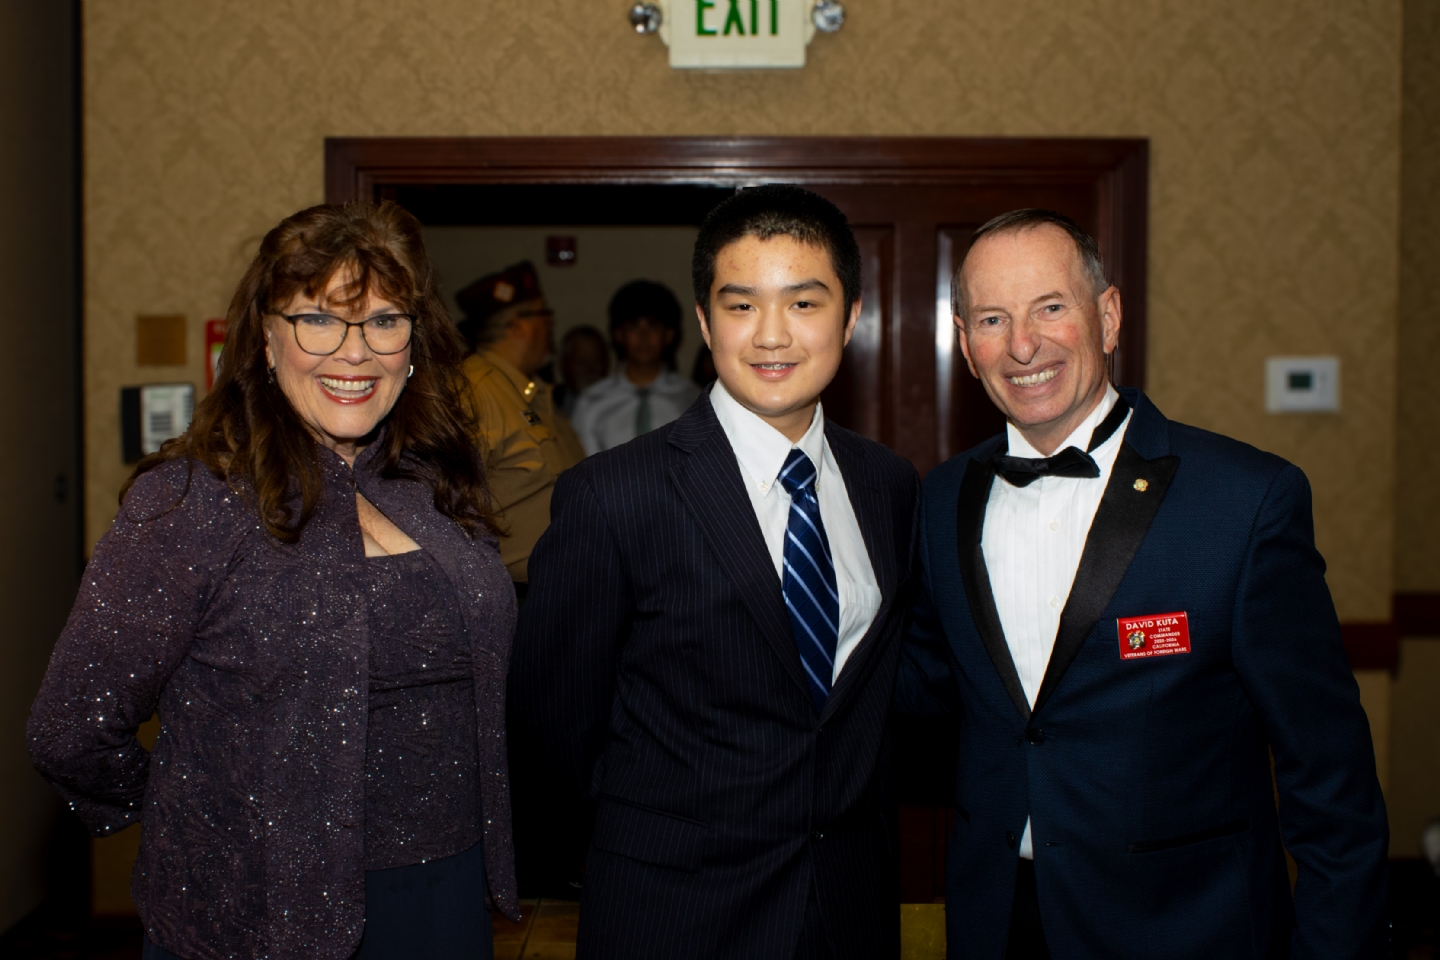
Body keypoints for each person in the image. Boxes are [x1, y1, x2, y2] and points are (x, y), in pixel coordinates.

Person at [27, 202, 520, 960]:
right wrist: (203, 815)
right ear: (265, 337)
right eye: (318, 319)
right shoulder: (191, 501)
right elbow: (70, 729)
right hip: (256, 913)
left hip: (444, 898)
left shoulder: (437, 487)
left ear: (414, 343)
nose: (355, 352)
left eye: (384, 321)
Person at [896, 209, 1389, 959]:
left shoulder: (1245, 501)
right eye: (993, 319)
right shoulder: (939, 501)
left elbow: (1328, 771)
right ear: (966, 345)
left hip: (1188, 929)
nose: (1022, 344)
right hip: (996, 924)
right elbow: (924, 696)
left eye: (1050, 307)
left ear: (1109, 316)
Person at [510, 184, 919, 960]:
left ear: (851, 318)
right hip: (676, 914)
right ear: (704, 322)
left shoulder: (888, 486)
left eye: (804, 303)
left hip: (849, 907)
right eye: (741, 305)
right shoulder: (613, 496)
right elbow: (553, 730)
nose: (772, 335)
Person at [455, 261, 585, 589]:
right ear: (518, 326)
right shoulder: (474, 393)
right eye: (544, 314)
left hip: (560, 589)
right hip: (514, 595)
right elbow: (448, 508)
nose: (552, 324)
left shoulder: (533, 392)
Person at [571, 280, 700, 454]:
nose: (643, 336)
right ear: (618, 334)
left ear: (669, 335)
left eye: (653, 326)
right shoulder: (591, 403)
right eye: (633, 326)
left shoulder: (692, 399)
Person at [554, 325, 611, 418]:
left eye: (596, 362)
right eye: (582, 363)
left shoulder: (622, 403)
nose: (590, 370)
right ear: (565, 363)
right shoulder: (548, 401)